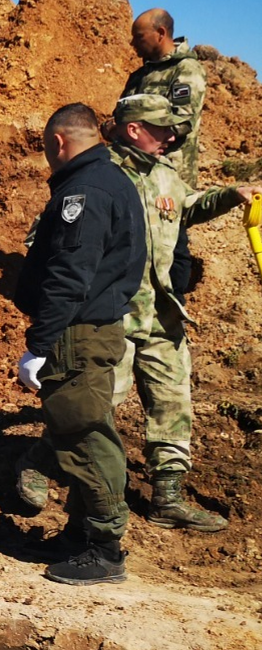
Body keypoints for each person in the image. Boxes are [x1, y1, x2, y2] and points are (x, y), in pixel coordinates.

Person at [107, 93, 255, 531]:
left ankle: (167, 499)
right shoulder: (100, 174)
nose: (172, 136)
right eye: (162, 128)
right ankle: (46, 467)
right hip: (111, 314)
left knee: (173, 403)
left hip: (161, 317)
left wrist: (232, 194)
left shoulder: (166, 174)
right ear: (133, 128)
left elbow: (187, 208)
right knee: (95, 405)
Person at [12, 104, 145, 586]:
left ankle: (105, 547)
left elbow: (71, 274)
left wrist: (40, 343)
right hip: (92, 327)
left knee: (84, 435)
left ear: (60, 142)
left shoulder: (84, 191)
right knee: (85, 427)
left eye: (48, 148)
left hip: (78, 331)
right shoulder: (114, 180)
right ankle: (81, 534)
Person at [123, 8, 207, 300]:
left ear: (161, 33)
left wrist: (143, 129)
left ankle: (173, 304)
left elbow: (183, 119)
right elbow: (123, 112)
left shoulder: (186, 70)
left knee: (173, 241)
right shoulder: (141, 74)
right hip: (136, 171)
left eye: (139, 37)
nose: (133, 44)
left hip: (170, 173)